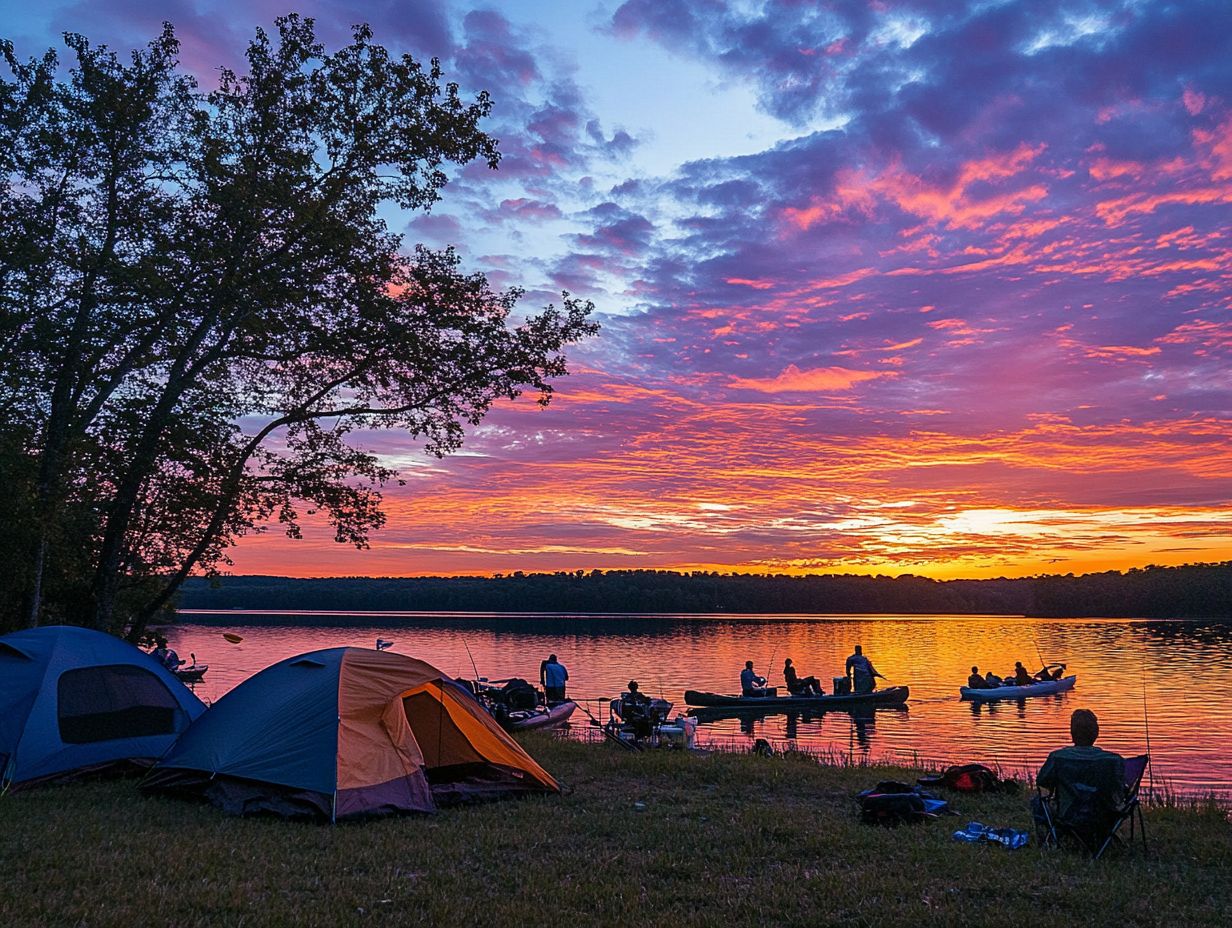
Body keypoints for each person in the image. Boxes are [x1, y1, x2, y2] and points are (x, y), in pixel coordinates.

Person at [1035, 709, 1126, 837]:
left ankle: (1052, 838)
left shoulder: (1057, 757)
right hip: (1104, 817)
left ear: (1072, 733)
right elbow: (1120, 790)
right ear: (1096, 733)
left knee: (1037, 801)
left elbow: (1042, 781)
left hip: (1068, 816)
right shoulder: (1114, 760)